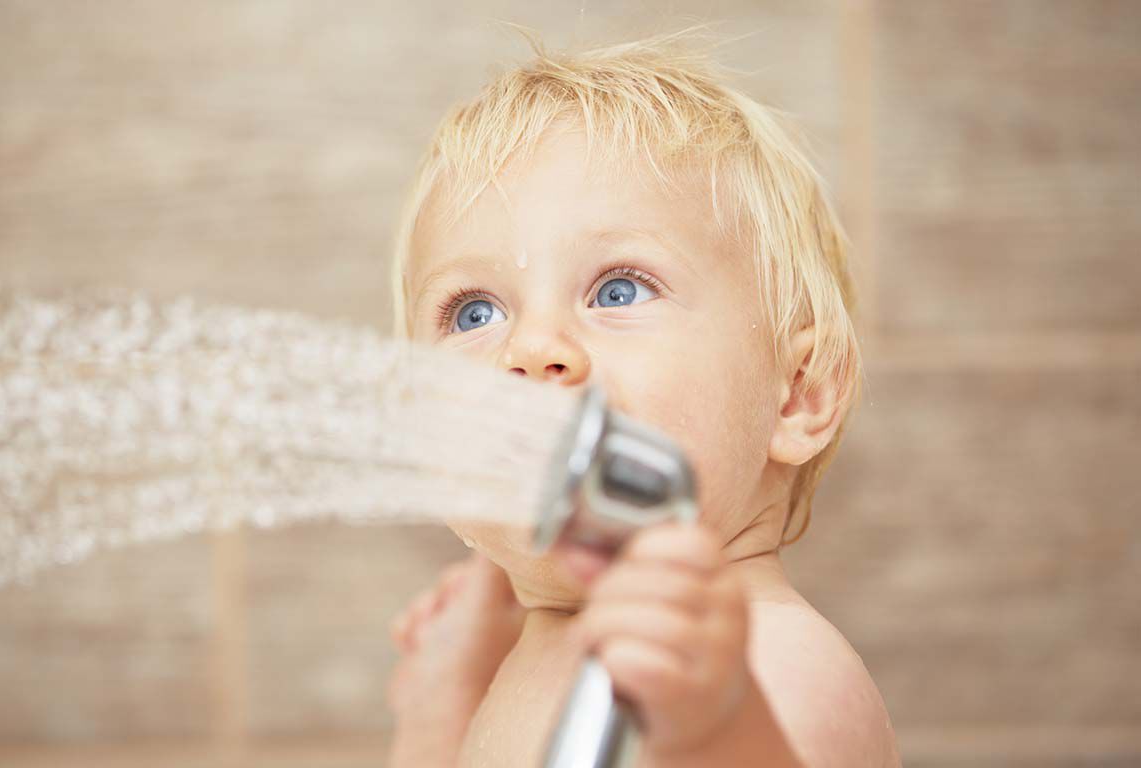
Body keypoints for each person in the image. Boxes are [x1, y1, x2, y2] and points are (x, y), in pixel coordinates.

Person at [384, 31, 900, 768]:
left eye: (617, 289)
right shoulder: (526, 663)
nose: (530, 348)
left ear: (797, 394)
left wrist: (716, 731)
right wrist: (437, 729)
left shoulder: (772, 661)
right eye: (474, 313)